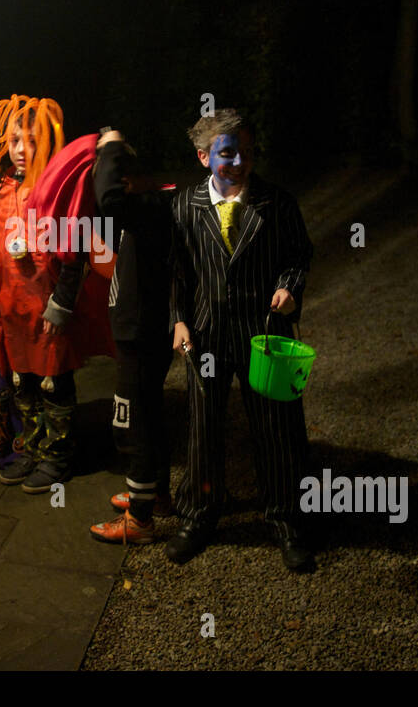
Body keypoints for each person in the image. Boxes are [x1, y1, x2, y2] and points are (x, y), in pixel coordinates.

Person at [167, 109, 315, 570]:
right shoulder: (185, 206)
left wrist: (290, 287)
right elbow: (176, 271)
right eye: (226, 152)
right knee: (203, 428)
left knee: (276, 426)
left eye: (246, 152)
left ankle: (286, 518)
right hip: (207, 332)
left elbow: (299, 255)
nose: (237, 161)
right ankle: (200, 514)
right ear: (203, 156)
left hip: (263, 333)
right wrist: (177, 320)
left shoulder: (276, 202)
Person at [0, 95, 84, 494]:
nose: (21, 150)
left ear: (47, 141)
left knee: (54, 383)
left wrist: (62, 304)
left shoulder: (59, 192)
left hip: (47, 312)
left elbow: (76, 253)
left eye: (31, 140)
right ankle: (32, 451)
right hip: (12, 313)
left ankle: (58, 457)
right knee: (22, 383)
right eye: (15, 140)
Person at [88, 128, 176, 545]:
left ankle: (140, 520)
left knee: (132, 419)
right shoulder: (151, 206)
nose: (118, 179)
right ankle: (155, 494)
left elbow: (107, 201)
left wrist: (109, 147)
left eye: (124, 169)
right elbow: (107, 218)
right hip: (142, 328)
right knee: (150, 412)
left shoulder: (150, 205)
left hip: (141, 331)